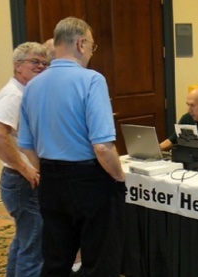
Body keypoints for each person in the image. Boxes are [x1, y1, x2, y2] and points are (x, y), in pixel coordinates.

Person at [18, 17, 126, 276]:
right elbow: (102, 146)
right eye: (91, 46)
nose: (90, 52)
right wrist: (119, 178)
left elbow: (25, 145)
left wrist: (49, 170)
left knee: (55, 260)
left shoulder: (32, 86)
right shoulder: (91, 80)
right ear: (80, 43)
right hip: (90, 181)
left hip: (51, 182)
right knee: (99, 261)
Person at [0, 42, 47, 277]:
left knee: (24, 240)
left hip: (20, 179)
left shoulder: (25, 92)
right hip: (20, 181)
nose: (41, 66)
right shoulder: (14, 95)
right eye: (34, 61)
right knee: (33, 249)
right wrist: (25, 169)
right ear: (18, 66)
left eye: (44, 63)